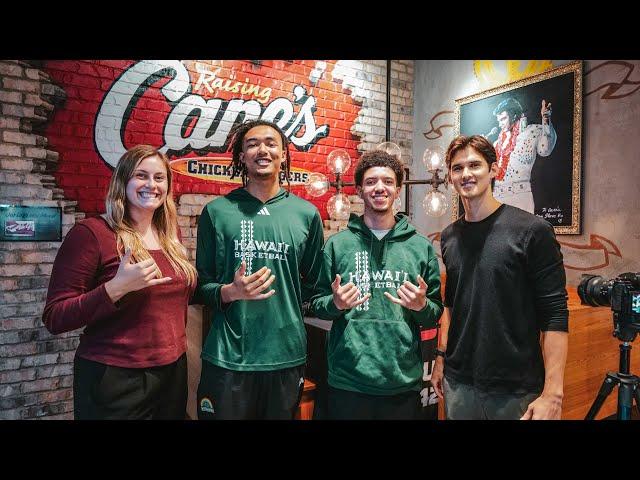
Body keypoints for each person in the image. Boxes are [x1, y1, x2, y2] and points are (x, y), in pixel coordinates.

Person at [42, 145, 197, 420]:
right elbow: (55, 316)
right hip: (114, 376)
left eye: (159, 178)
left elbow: (170, 300)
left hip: (172, 371)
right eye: (141, 175)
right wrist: (116, 287)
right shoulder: (92, 233)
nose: (151, 184)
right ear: (123, 181)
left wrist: (226, 292)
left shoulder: (170, 235)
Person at [431, 135, 568, 420]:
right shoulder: (449, 237)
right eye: (457, 168)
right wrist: (441, 359)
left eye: (474, 165)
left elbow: (554, 315)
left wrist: (553, 393)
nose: (466, 174)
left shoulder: (532, 230)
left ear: (494, 169)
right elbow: (451, 305)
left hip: (515, 390)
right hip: (459, 386)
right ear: (450, 177)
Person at [194, 119, 324, 420]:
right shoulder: (216, 211)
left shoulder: (306, 214)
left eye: (270, 143)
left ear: (283, 155)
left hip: (285, 356)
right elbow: (202, 285)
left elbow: (314, 284)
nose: (261, 149)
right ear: (241, 156)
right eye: (251, 144)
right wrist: (229, 291)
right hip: (228, 357)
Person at [310, 150, 443, 420]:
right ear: (359, 190)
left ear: (397, 188)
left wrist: (420, 305)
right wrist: (335, 303)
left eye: (387, 181)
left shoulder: (420, 247)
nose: (379, 188)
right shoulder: (337, 245)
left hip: (401, 381)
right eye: (371, 182)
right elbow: (316, 305)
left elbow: (434, 312)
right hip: (348, 381)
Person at [489, 97, 556, 213]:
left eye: (504, 119)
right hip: (496, 199)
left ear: (514, 115)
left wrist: (546, 120)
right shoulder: (496, 143)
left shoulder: (532, 131)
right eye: (499, 120)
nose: (500, 124)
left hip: (520, 198)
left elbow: (545, 150)